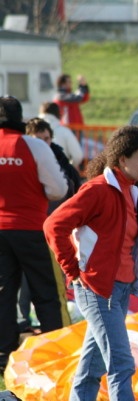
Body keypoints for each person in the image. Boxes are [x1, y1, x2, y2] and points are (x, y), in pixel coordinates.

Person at [43, 126, 138, 401]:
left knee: (93, 365)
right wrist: (72, 270)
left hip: (120, 290)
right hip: (97, 289)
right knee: (122, 363)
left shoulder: (131, 191)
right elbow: (54, 225)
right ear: (122, 159)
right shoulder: (98, 191)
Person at [0, 96, 70, 374]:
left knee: (3, 294)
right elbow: (58, 190)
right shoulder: (35, 146)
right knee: (47, 292)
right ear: (20, 118)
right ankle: (57, 351)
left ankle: (3, 355)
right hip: (31, 228)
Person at [39, 101, 84, 167]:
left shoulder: (31, 131)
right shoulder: (64, 131)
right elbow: (77, 156)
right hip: (60, 169)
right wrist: (68, 167)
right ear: (58, 114)